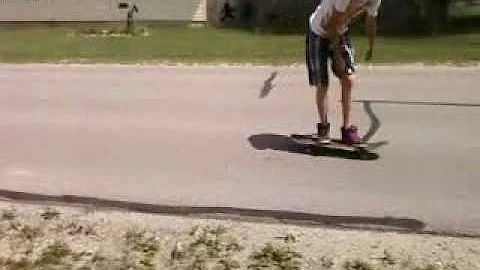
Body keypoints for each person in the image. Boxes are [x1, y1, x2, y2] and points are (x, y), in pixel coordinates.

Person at [306, 0, 382, 145]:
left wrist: (371, 46)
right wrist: (337, 55)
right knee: (322, 83)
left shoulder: (375, 0)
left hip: (340, 30)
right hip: (318, 31)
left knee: (348, 79)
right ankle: (323, 128)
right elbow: (331, 25)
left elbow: (371, 20)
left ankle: (347, 130)